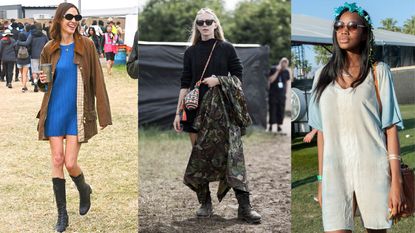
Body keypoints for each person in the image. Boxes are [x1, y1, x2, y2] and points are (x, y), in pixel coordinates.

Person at [308, 3, 405, 232]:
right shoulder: (321, 76)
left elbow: (390, 128)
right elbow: (322, 134)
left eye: (352, 26)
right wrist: (321, 182)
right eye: (339, 25)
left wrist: (397, 183)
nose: (344, 30)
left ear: (364, 34)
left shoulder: (378, 71)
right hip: (335, 173)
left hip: (373, 168)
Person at [173, 8, 261, 224]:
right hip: (194, 111)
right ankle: (205, 203)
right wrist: (178, 113)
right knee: (199, 157)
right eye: (200, 22)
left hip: (223, 113)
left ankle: (244, 207)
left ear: (215, 24)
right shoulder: (190, 52)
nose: (204, 25)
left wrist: (219, 80)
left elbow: (238, 78)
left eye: (208, 21)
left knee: (234, 157)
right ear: (196, 26)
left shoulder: (226, 48)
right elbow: (185, 83)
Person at [36, 3, 112, 232]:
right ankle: (62, 215)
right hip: (55, 111)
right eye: (69, 16)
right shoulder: (49, 48)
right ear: (59, 19)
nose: (73, 20)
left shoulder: (86, 45)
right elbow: (44, 84)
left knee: (70, 163)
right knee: (57, 160)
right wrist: (40, 80)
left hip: (77, 111)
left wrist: (103, 113)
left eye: (77, 16)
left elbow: (97, 79)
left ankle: (84, 189)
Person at [17, 22, 49, 92]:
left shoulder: (32, 35)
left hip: (34, 55)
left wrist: (18, 42)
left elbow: (27, 43)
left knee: (34, 71)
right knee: (42, 71)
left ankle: (35, 83)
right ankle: (43, 85)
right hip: (42, 55)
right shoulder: (44, 35)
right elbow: (48, 44)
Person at [268, 57, 290, 133]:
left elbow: (287, 83)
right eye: (283, 63)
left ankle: (279, 126)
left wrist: (285, 93)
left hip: (281, 94)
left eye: (286, 64)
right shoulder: (273, 69)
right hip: (273, 93)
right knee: (272, 109)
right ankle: (271, 125)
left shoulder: (286, 72)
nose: (284, 65)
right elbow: (271, 80)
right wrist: (277, 71)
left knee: (280, 110)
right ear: (280, 63)